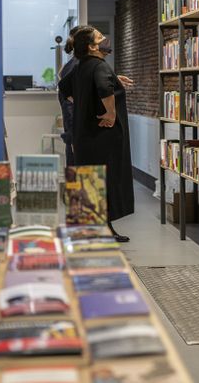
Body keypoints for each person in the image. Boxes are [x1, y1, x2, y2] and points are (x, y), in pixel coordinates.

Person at [58, 26, 135, 241]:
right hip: (102, 135)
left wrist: (86, 103)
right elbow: (103, 88)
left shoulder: (80, 65)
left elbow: (64, 88)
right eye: (100, 37)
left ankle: (92, 231)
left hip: (85, 134)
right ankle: (99, 231)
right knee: (105, 181)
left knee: (88, 180)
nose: (104, 39)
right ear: (92, 46)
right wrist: (110, 113)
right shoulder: (99, 65)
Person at [57, 26, 81, 165]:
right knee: (81, 172)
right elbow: (69, 105)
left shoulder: (74, 65)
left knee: (79, 171)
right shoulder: (76, 66)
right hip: (79, 133)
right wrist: (72, 137)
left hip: (78, 132)